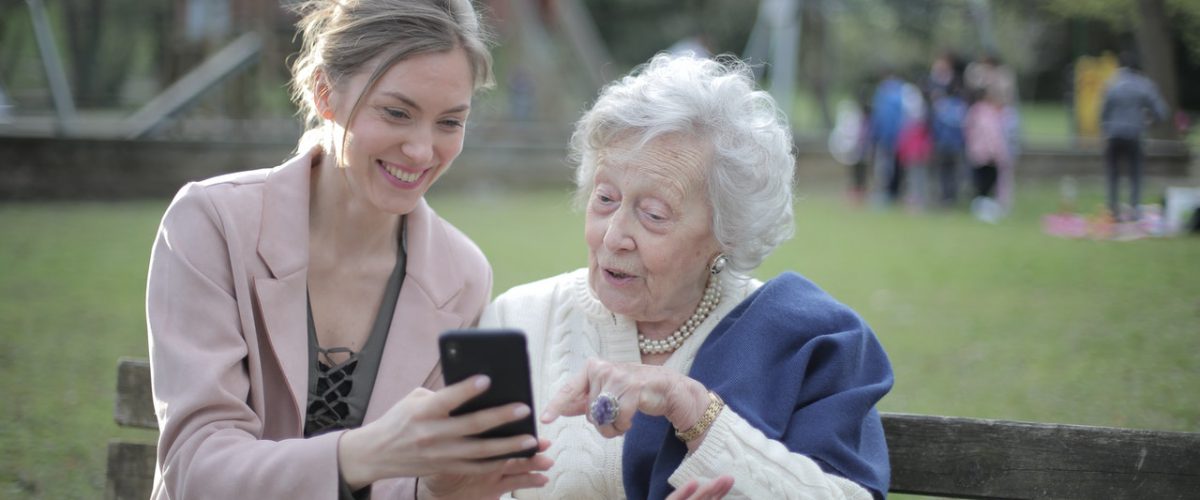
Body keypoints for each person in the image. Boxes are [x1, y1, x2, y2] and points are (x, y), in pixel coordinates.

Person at [145, 1, 551, 498]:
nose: (423, 151)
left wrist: (440, 490)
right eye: (396, 112)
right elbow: (196, 469)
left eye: (450, 122)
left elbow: (403, 486)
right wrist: (363, 452)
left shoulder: (461, 275)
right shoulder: (211, 224)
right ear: (324, 93)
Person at [481, 54, 894, 499]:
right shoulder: (519, 319)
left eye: (654, 214)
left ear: (728, 232)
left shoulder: (804, 340)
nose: (614, 235)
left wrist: (696, 410)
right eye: (605, 198)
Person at [1100, 50, 1169, 221]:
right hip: (1134, 134)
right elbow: (1162, 112)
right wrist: (1150, 122)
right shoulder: (1144, 85)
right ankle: (1134, 210)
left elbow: (1103, 113)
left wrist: (1107, 129)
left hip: (1113, 135)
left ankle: (1113, 209)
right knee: (1135, 173)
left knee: (1113, 173)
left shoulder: (1112, 83)